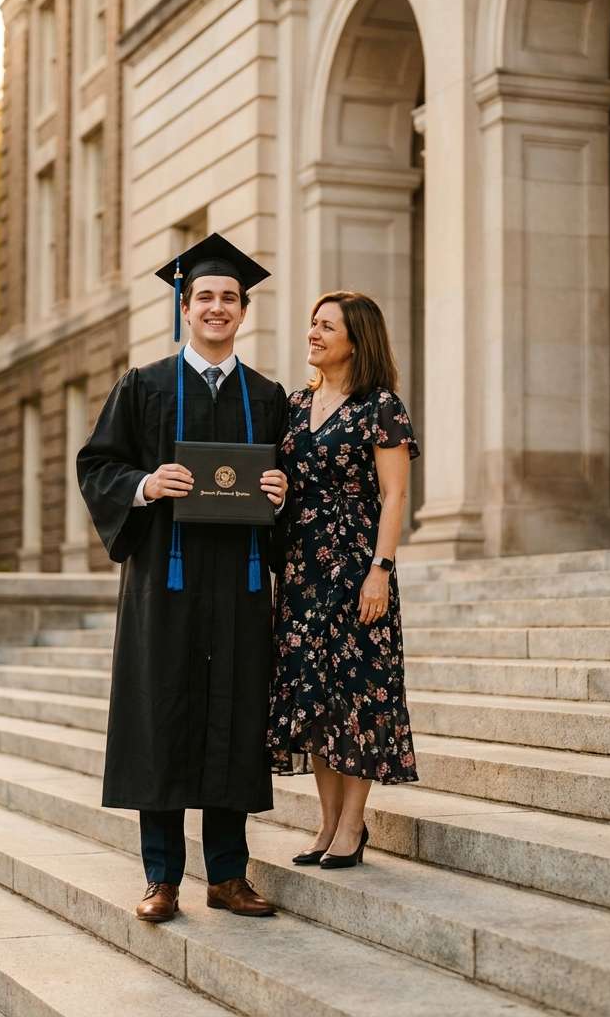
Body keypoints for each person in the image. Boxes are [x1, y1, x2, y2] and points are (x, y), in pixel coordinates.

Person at [78, 233, 289, 922]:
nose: (217, 307)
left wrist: (283, 493)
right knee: (161, 718)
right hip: (161, 588)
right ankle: (161, 877)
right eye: (205, 296)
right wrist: (144, 484)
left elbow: (293, 497)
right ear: (185, 305)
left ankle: (228, 875)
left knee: (233, 717)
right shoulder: (142, 387)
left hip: (238, 587)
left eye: (230, 297)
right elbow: (97, 467)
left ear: (243, 310)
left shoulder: (269, 395)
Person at [267, 290, 419, 869]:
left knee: (359, 696)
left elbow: (395, 493)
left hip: (358, 566)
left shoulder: (381, 405)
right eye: (312, 323)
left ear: (356, 339)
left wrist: (380, 569)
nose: (314, 333)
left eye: (326, 326)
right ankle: (327, 822)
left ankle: (352, 827)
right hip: (303, 570)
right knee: (314, 699)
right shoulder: (295, 404)